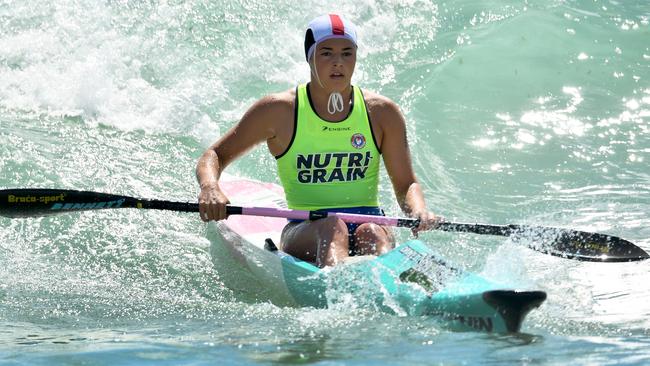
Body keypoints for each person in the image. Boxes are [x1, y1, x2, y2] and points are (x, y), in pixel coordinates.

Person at [196, 14, 441, 267]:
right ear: (309, 57)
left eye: (347, 53)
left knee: (373, 232)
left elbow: (406, 183)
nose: (338, 63)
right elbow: (214, 156)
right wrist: (210, 188)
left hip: (370, 221)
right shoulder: (279, 111)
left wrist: (418, 209)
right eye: (326, 53)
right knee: (333, 228)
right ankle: (339, 292)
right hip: (305, 228)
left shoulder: (382, 112)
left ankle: (393, 287)